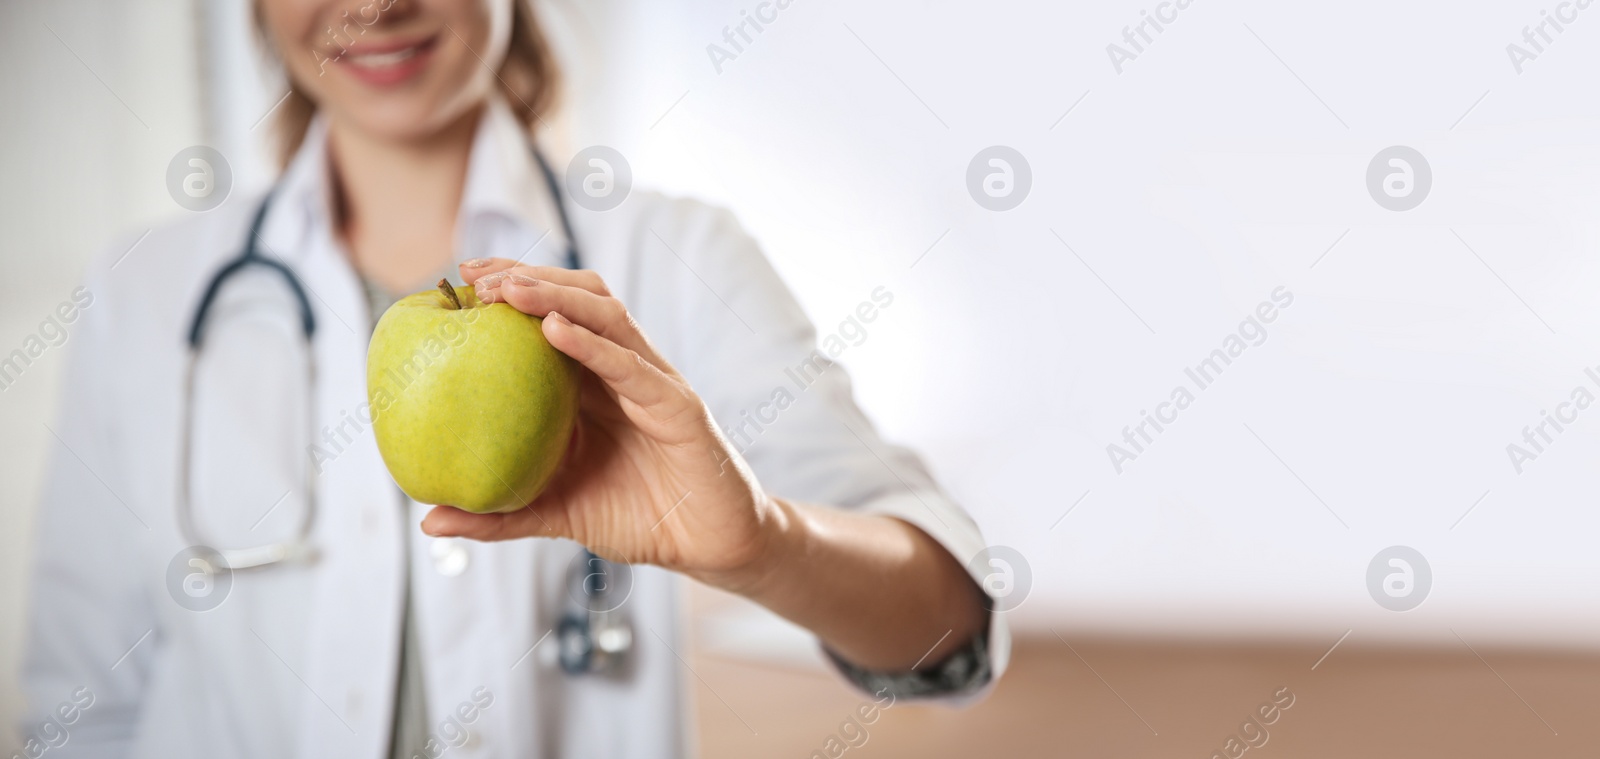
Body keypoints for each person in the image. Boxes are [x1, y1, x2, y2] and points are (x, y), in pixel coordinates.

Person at [22, 0, 1007, 756]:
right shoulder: (145, 290)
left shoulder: (677, 253)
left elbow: (947, 631)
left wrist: (761, 544)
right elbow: (79, 701)